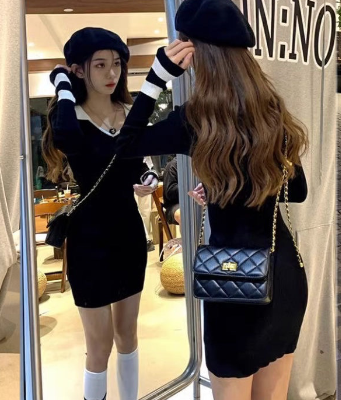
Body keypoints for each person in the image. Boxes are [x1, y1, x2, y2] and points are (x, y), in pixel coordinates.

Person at [115, 1, 309, 397]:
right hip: (284, 275)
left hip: (234, 280)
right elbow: (298, 191)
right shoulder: (273, 111)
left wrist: (156, 77)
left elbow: (125, 146)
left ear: (193, 51)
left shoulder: (194, 119)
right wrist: (228, 189)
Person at [41, 27, 154, 400]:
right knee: (99, 345)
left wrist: (148, 178)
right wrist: (62, 83)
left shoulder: (131, 113)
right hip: (89, 241)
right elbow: (68, 141)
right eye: (100, 65)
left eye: (117, 64)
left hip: (128, 234)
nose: (112, 73)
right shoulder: (70, 117)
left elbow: (139, 166)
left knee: (128, 335)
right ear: (79, 70)